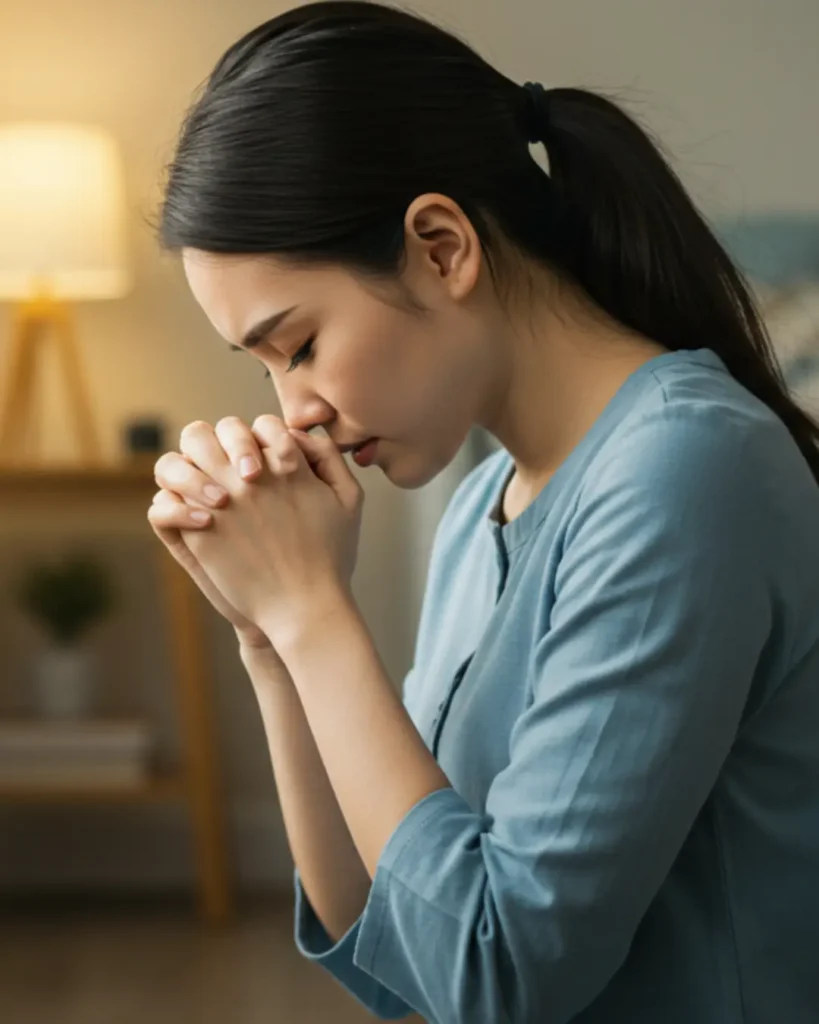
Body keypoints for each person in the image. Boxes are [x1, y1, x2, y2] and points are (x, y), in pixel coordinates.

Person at [147, 2, 819, 1021]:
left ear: (441, 245)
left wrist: (314, 617)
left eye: (300, 347)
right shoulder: (478, 513)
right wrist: (269, 639)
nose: (296, 411)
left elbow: (498, 976)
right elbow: (390, 947)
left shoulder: (687, 470)